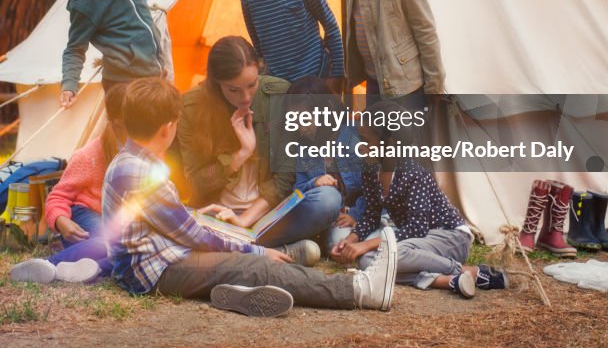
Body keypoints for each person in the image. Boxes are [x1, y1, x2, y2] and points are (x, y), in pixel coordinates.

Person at [102, 77, 398, 316]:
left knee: (236, 255)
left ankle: (233, 287)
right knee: (256, 266)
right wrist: (255, 251)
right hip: (155, 270)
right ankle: (359, 289)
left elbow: (174, 224)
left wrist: (207, 219)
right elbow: (194, 237)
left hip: (158, 258)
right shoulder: (141, 173)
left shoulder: (130, 161)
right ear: (168, 129)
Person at [177, 37, 342, 259]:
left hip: (267, 216)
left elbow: (284, 178)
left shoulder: (279, 95)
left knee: (328, 200)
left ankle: (240, 248)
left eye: (251, 85)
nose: (245, 97)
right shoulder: (191, 107)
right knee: (156, 212)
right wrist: (240, 155)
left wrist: (245, 220)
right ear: (216, 83)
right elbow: (195, 184)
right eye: (233, 90)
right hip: (217, 216)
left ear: (260, 70)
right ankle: (271, 251)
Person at [331, 145, 509, 299]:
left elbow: (417, 228)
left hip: (450, 237)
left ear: (389, 141)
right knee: (367, 260)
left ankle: (470, 272)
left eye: (367, 140)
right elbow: (371, 216)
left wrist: (366, 244)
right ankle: (446, 281)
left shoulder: (412, 171)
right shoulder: (370, 171)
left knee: (393, 253)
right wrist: (351, 241)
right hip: (417, 246)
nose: (361, 147)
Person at [10, 84, 128, 285]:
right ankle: (46, 264)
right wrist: (61, 220)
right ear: (117, 124)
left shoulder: (144, 153)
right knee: (108, 242)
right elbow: (57, 197)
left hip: (116, 221)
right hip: (85, 213)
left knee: (131, 249)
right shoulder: (89, 156)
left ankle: (90, 269)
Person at [286, 77, 366, 253]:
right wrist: (314, 184)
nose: (300, 127)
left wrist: (356, 215)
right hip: (331, 221)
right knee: (338, 240)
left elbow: (374, 188)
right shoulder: (304, 148)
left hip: (362, 215)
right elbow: (296, 193)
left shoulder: (353, 136)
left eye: (304, 119)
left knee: (346, 241)